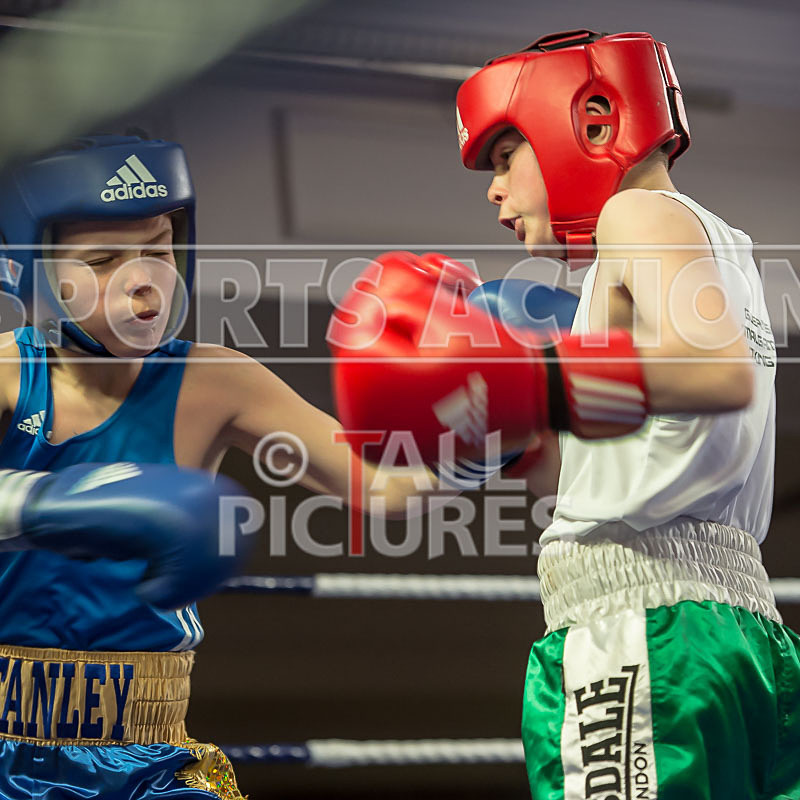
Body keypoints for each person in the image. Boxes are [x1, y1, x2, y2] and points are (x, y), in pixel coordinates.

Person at [332, 29, 800, 800]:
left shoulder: (635, 214)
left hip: (643, 633)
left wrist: (528, 378)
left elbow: (715, 374)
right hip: (735, 631)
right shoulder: (725, 249)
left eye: (503, 156)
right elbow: (641, 453)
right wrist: (509, 434)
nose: (493, 190)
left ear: (589, 120)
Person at [0, 136, 476, 797]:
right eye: (104, 260)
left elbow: (384, 485)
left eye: (158, 249)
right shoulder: (9, 372)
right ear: (35, 269)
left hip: (147, 759)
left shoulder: (212, 379)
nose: (143, 281)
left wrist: (493, 426)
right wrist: (52, 506)